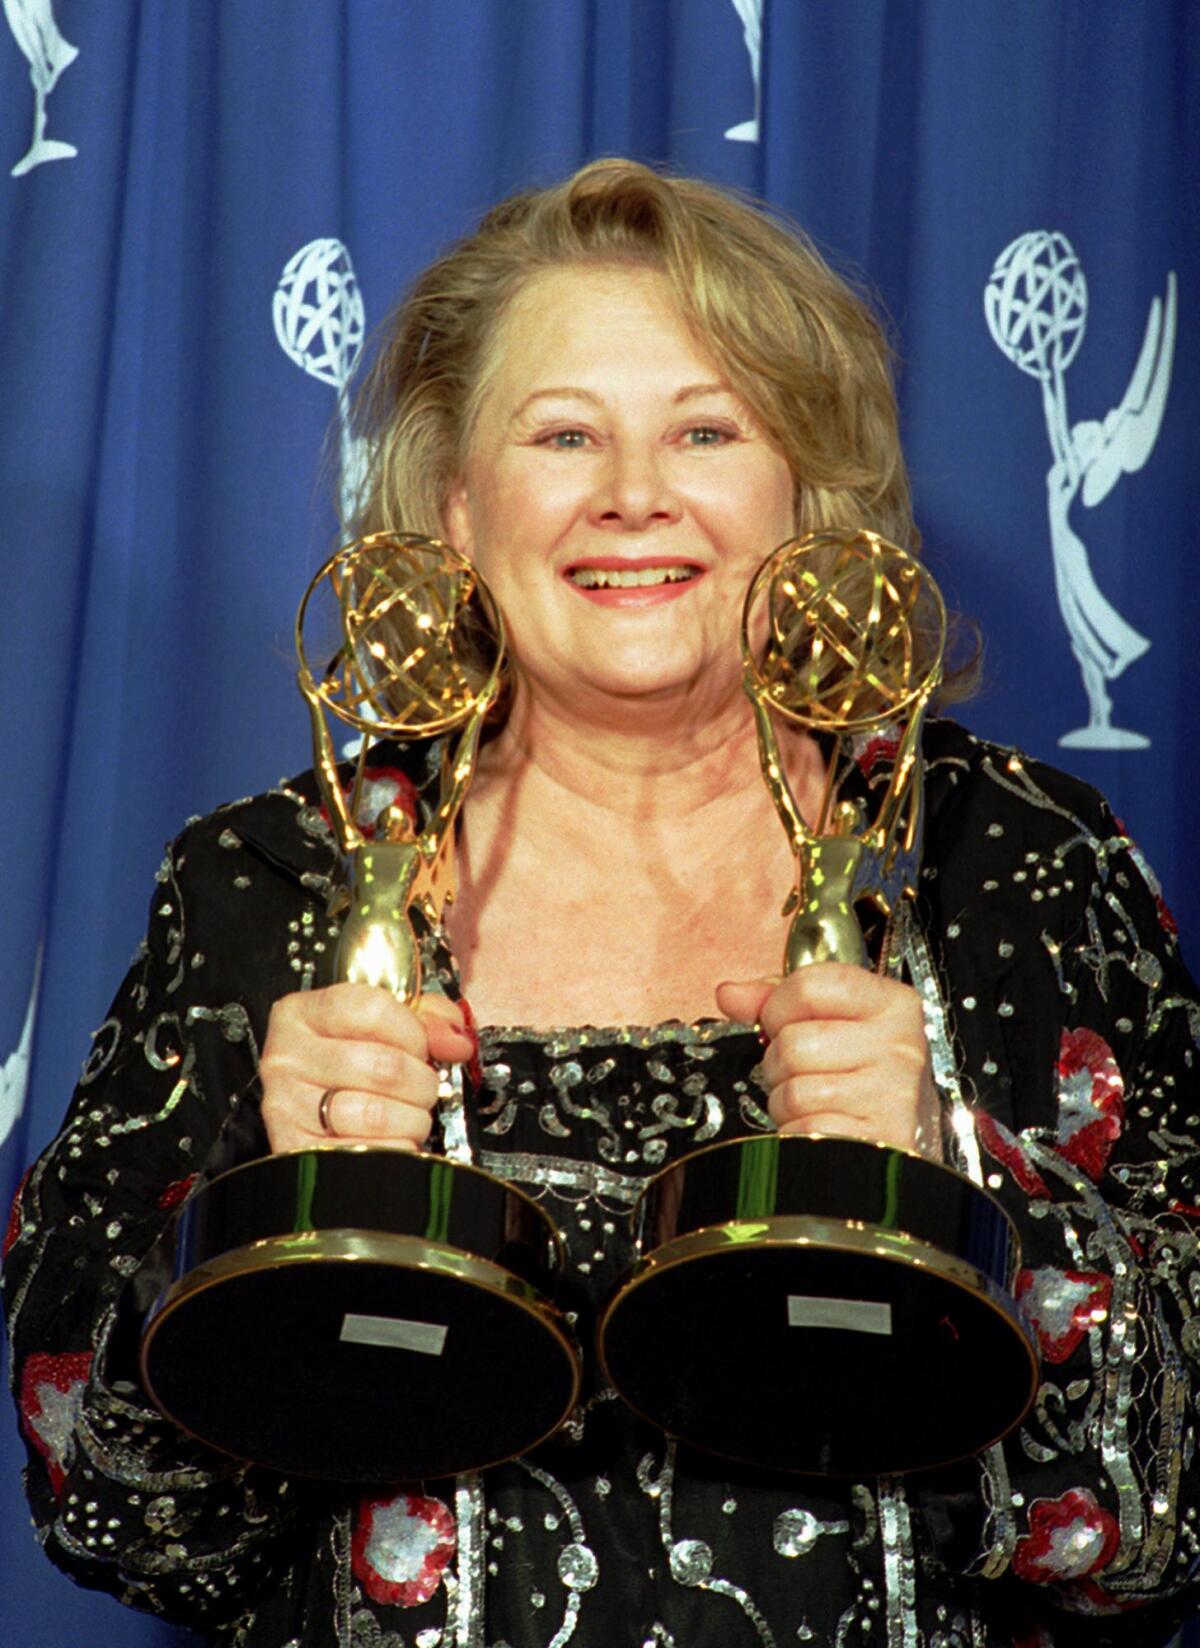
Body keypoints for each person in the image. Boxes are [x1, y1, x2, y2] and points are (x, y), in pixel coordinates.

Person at [5, 158, 1199, 1648]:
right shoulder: (272, 888)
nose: (634, 495)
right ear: (455, 505)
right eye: (564, 435)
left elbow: (1164, 1514)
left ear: (805, 491)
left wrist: (958, 1172)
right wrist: (266, 1213)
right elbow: (114, 1509)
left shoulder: (1014, 863)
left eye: (706, 429)